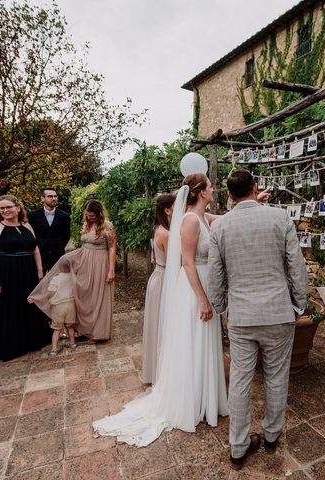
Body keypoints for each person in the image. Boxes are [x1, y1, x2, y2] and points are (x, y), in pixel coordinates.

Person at [92, 173, 229, 446]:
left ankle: (204, 398)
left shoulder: (204, 217)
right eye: (211, 186)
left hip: (206, 285)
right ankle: (191, 401)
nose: (214, 189)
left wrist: (253, 203)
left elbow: (225, 220)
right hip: (194, 289)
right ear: (201, 192)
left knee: (203, 343)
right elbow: (187, 264)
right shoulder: (190, 221)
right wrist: (202, 299)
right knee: (194, 342)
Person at [207, 169, 307, 469]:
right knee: (277, 376)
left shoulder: (220, 227)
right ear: (256, 187)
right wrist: (298, 305)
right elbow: (296, 265)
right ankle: (272, 435)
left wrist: (224, 308)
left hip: (240, 315)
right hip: (278, 312)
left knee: (240, 380)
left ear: (228, 195)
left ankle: (238, 447)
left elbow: (215, 277)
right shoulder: (280, 218)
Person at [29, 199, 116, 345]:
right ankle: (84, 329)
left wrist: (111, 270)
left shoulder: (108, 226)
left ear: (99, 213)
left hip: (101, 263)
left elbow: (112, 248)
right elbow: (84, 245)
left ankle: (98, 332)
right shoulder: (86, 223)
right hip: (84, 264)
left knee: (97, 298)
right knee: (84, 297)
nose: (89, 218)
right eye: (87, 215)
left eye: (92, 216)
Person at [0, 195, 49, 362]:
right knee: (9, 308)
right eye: (2, 208)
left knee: (28, 305)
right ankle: (12, 346)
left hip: (28, 272)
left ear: (18, 208)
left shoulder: (27, 225)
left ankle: (32, 341)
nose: (5, 210)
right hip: (7, 274)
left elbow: (35, 250)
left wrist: (39, 271)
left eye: (9, 207)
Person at [141, 192, 176, 384]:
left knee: (158, 325)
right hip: (164, 281)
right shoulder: (167, 234)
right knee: (163, 326)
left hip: (158, 277)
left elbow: (155, 258)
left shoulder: (158, 229)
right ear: (167, 210)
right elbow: (176, 264)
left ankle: (156, 371)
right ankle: (163, 374)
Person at [28, 187, 71, 273]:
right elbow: (30, 235)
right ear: (42, 198)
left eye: (55, 196)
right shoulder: (33, 215)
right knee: (38, 283)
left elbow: (66, 235)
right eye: (50, 196)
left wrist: (58, 246)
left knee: (56, 282)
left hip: (57, 255)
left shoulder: (64, 216)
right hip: (39, 255)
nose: (54, 199)